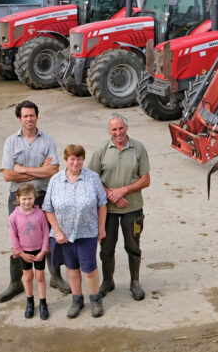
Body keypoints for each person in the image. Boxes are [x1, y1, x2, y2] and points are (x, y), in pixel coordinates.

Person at [0, 101, 69, 303]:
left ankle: (56, 277)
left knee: (49, 236)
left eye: (32, 115)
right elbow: (7, 175)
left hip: (43, 196)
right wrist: (39, 170)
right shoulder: (11, 142)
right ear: (19, 119)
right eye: (25, 116)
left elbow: (53, 170)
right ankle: (15, 283)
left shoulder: (47, 140)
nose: (29, 119)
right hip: (16, 198)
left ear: (37, 116)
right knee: (18, 239)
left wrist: (22, 170)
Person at [89, 113, 151, 302]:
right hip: (107, 211)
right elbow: (92, 179)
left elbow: (146, 180)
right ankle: (108, 281)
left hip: (132, 209)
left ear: (127, 128)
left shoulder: (138, 148)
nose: (118, 132)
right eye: (114, 129)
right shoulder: (101, 150)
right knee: (106, 249)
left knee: (133, 247)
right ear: (109, 131)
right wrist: (110, 194)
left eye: (121, 128)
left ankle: (135, 283)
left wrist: (123, 191)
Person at [43, 144, 108, 319]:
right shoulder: (55, 180)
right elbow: (48, 208)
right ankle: (76, 299)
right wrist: (57, 231)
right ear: (66, 160)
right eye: (72, 158)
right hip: (64, 235)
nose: (76, 162)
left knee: (89, 268)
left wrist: (101, 229)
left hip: (87, 232)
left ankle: (95, 299)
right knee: (72, 268)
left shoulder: (92, 178)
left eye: (79, 158)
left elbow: (102, 204)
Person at [8, 184, 51, 320]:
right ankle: (30, 302)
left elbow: (45, 233)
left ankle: (43, 302)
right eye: (24, 199)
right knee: (27, 277)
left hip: (39, 251)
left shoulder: (40, 214)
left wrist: (44, 250)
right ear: (18, 199)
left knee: (40, 277)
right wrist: (20, 253)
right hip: (24, 252)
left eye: (30, 199)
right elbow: (13, 236)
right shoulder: (14, 216)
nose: (27, 202)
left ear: (35, 198)